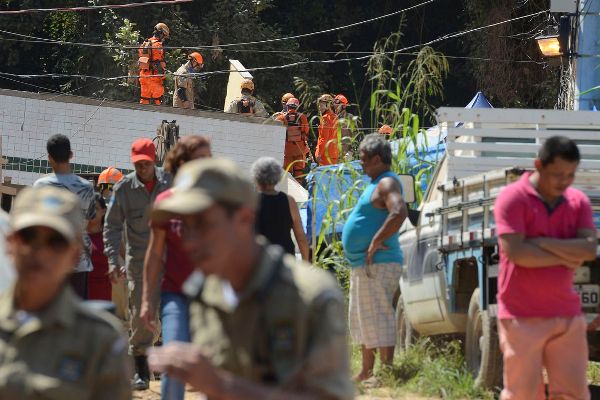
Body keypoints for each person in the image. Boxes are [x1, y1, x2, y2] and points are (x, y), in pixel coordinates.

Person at [147, 158, 354, 400]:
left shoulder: (310, 296)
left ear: (244, 219)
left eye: (203, 224)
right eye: (184, 226)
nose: (189, 241)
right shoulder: (204, 293)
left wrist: (223, 386)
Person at [0, 185, 131, 399]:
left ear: (75, 254)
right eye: (28, 236)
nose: (40, 251)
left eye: (56, 241)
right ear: (9, 243)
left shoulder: (100, 340)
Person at [493, 136, 597, 400]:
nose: (565, 182)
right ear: (539, 165)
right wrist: (567, 254)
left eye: (571, 175)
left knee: (573, 394)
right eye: (558, 174)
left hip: (567, 316)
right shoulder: (512, 198)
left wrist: (541, 242)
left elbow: (588, 250)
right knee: (523, 395)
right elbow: (517, 253)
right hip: (520, 316)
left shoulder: (578, 202)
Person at [140, 135, 212, 400]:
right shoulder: (166, 203)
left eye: (209, 159)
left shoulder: (216, 202)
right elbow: (155, 253)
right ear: (183, 163)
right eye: (200, 159)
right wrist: (147, 301)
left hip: (212, 298)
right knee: (174, 363)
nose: (206, 164)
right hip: (176, 296)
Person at [104, 137, 172, 390]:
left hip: (169, 261)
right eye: (137, 164)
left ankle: (167, 369)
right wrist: (112, 260)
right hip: (139, 263)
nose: (141, 169)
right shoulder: (123, 189)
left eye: (145, 163)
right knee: (139, 318)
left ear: (154, 159)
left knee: (171, 312)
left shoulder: (171, 182)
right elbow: (111, 226)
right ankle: (140, 372)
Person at [341, 134, 408, 382]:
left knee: (379, 315)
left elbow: (399, 211)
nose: (361, 164)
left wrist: (377, 240)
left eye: (364, 160)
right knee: (363, 317)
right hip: (365, 264)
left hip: (380, 262)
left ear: (377, 159)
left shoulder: (387, 183)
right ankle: (367, 371)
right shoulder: (376, 182)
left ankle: (387, 372)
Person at [34, 134, 96, 300]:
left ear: (49, 158)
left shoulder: (40, 187)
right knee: (76, 317)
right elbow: (89, 223)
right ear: (71, 155)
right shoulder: (86, 188)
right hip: (78, 260)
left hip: (49, 260)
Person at [251, 156, 309, 261]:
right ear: (278, 177)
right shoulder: (289, 201)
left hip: (259, 262)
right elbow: (300, 238)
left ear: (256, 177)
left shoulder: (251, 202)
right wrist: (306, 265)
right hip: (285, 261)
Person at [276, 97, 311, 183]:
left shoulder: (281, 118)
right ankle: (299, 191)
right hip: (299, 149)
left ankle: (286, 191)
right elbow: (306, 131)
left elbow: (276, 132)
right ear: (297, 107)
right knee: (298, 172)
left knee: (286, 172)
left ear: (287, 106)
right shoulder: (302, 117)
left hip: (287, 150)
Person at [138, 22, 169, 105]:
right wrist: (163, 74)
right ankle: (159, 117)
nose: (164, 39)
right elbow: (157, 63)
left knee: (144, 99)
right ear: (161, 33)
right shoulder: (158, 45)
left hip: (143, 76)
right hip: (154, 77)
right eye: (164, 36)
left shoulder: (144, 43)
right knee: (158, 101)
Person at [87, 193, 111, 301]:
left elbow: (126, 258)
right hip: (79, 293)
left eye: (95, 208)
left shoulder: (109, 236)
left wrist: (122, 268)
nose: (91, 212)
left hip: (102, 294)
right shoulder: (76, 235)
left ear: (104, 211)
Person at [315, 94, 340, 165]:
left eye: (321, 105)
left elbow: (323, 138)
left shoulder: (325, 118)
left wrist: (319, 153)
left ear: (327, 105)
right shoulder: (335, 117)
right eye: (319, 105)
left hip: (325, 155)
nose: (319, 108)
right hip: (334, 154)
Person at [333, 94, 357, 161]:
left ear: (343, 106)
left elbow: (356, 136)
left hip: (346, 155)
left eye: (337, 104)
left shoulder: (350, 118)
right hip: (334, 155)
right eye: (334, 104)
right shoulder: (333, 118)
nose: (334, 106)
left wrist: (350, 152)